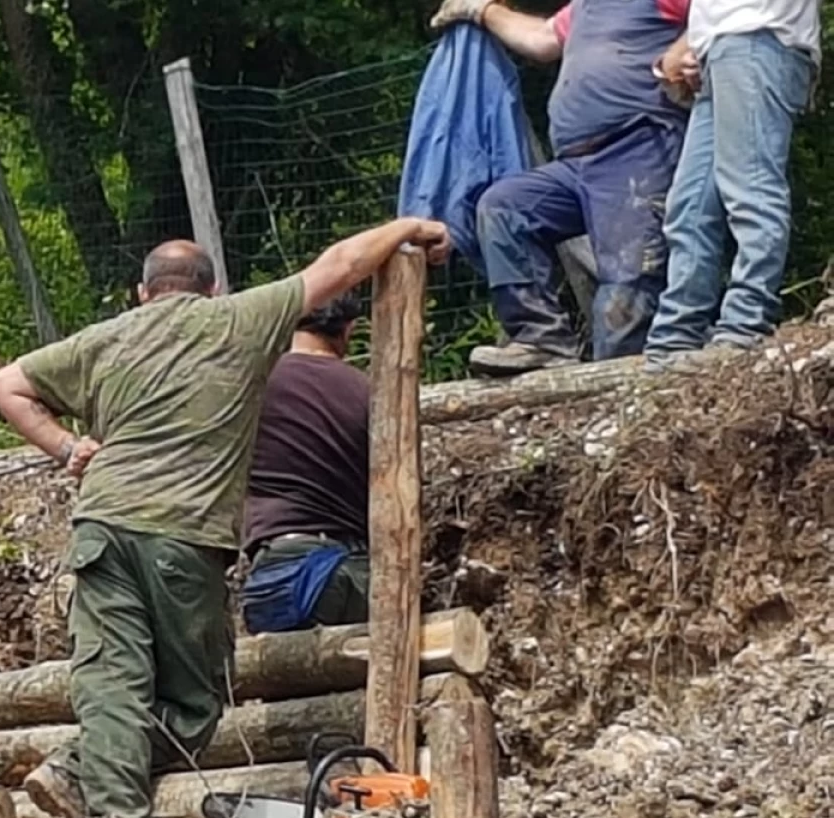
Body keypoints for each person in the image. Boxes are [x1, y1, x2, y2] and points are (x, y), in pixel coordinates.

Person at [0, 220, 451, 818]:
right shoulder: (235, 320)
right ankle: (101, 796)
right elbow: (339, 264)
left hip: (101, 525)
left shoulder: (104, 339)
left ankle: (106, 811)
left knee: (111, 678)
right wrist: (410, 226)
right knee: (196, 700)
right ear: (213, 289)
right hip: (184, 535)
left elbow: (4, 385)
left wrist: (67, 448)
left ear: (142, 292)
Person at [432, 0, 691, 375]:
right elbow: (542, 38)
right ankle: (542, 340)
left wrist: (682, 49)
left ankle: (623, 389)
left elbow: (715, 13)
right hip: (574, 164)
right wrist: (481, 10)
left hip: (638, 146)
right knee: (504, 207)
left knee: (627, 286)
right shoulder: (587, 7)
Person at [645, 0, 820, 369]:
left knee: (751, 192)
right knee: (688, 207)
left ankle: (744, 327)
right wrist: (695, 45)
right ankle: (674, 339)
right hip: (725, 49)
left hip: (759, 41)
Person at [241, 293, 372, 635]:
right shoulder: (367, 390)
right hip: (348, 566)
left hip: (273, 568)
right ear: (349, 329)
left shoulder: (249, 385)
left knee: (282, 682)